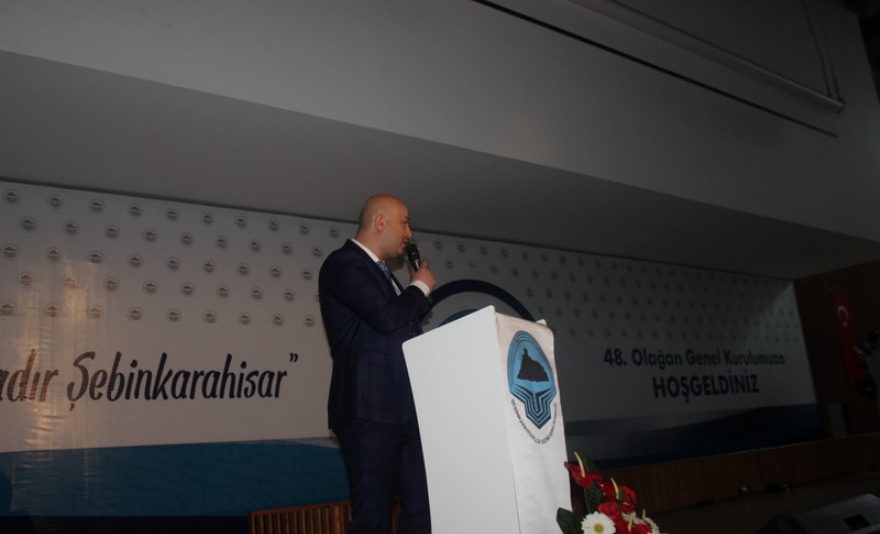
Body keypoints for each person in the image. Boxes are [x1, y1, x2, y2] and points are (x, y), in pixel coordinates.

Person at [319, 194, 437, 534]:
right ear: (380, 222)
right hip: (369, 410)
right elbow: (385, 317)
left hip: (405, 413)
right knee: (373, 517)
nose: (409, 233)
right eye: (405, 222)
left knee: (425, 509)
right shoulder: (343, 263)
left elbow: (400, 324)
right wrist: (419, 287)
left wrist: (416, 291)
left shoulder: (385, 275)